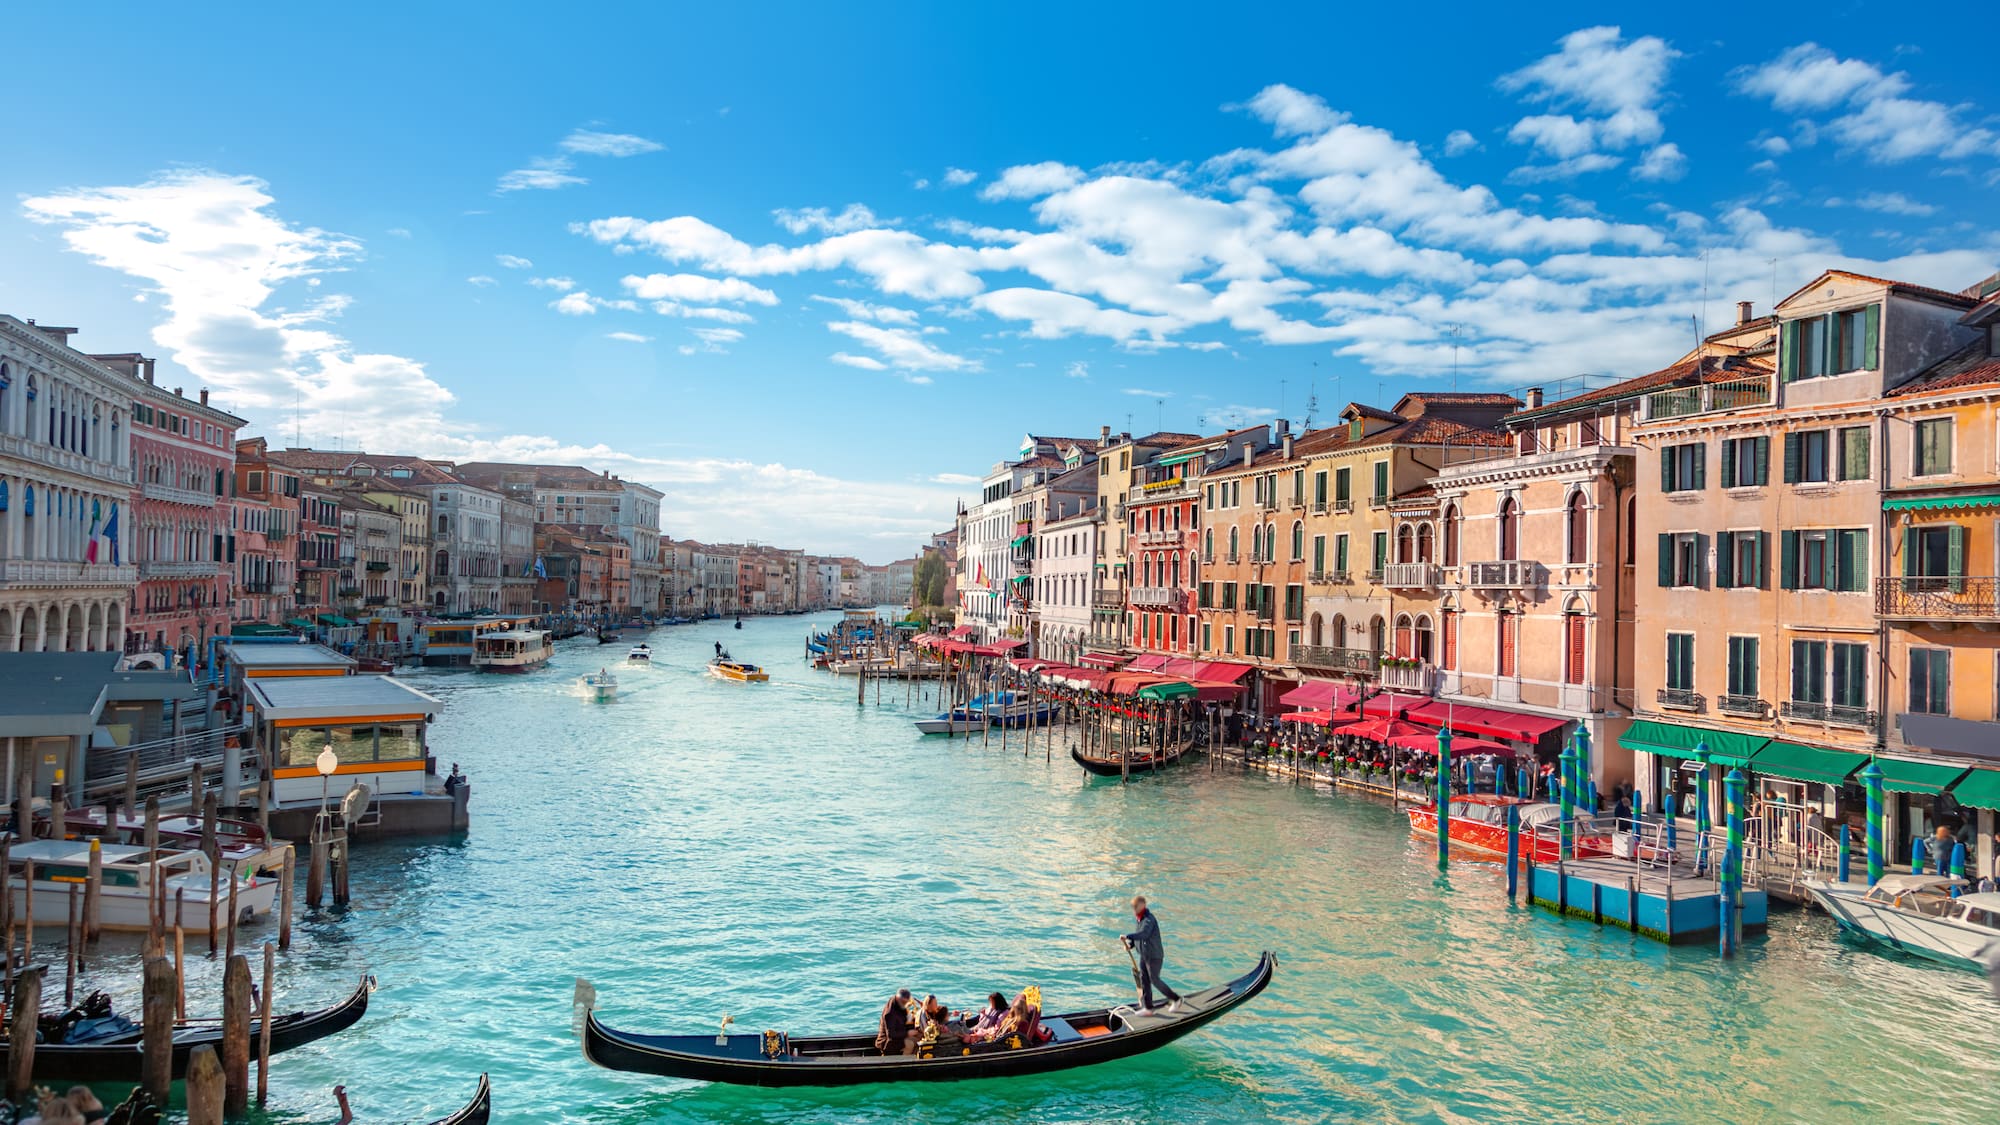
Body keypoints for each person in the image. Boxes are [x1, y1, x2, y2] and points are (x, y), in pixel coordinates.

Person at [1121, 895, 1184, 1015]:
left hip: (1154, 956)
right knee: (1144, 980)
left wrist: (1128, 936)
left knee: (1154, 980)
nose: (1134, 909)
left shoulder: (1149, 919)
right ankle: (1148, 1008)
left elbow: (1144, 934)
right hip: (1144, 955)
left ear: (1143, 906)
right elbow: (1138, 936)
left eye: (1136, 907)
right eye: (1133, 907)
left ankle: (1176, 999)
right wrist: (1131, 945)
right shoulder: (1139, 919)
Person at [874, 988, 917, 1056]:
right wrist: (907, 1033)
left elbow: (904, 1024)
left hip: (899, 1037)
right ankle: (902, 1062)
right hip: (887, 1042)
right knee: (910, 1044)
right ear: (897, 998)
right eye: (903, 1002)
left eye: (906, 1002)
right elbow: (891, 1034)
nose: (905, 1004)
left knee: (917, 1040)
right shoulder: (890, 1013)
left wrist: (910, 1021)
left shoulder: (901, 1006)